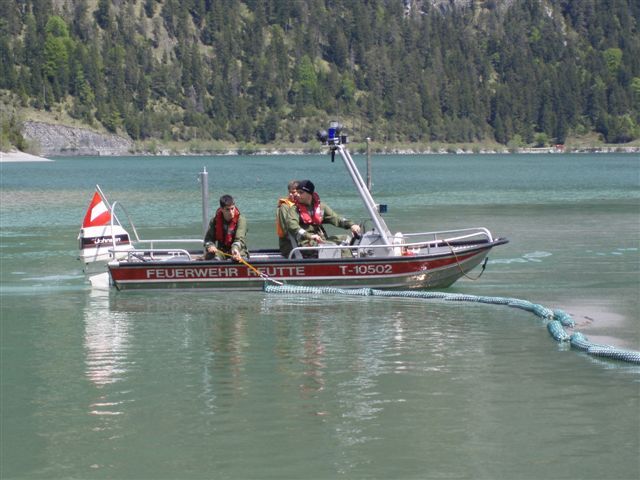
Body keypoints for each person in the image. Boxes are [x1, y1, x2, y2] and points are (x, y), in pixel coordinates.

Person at [280, 179, 361, 258]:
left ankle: (348, 264)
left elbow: (336, 219)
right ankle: (348, 267)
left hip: (321, 239)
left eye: (301, 192)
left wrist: (352, 225)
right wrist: (309, 236)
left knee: (345, 239)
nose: (297, 195)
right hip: (306, 243)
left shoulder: (321, 207)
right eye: (297, 192)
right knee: (339, 248)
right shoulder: (294, 210)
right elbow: (292, 226)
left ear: (309, 194)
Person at [203, 195, 247, 261]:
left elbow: (239, 240)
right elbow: (208, 239)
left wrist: (235, 249)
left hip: (238, 251)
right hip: (221, 251)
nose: (231, 212)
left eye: (232, 208)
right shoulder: (214, 220)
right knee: (213, 257)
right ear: (222, 209)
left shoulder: (241, 220)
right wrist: (210, 246)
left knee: (237, 259)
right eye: (227, 209)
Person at [276, 180, 299, 256]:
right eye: (289, 192)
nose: (290, 194)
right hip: (289, 244)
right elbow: (286, 231)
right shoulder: (285, 207)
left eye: (293, 192)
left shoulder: (303, 204)